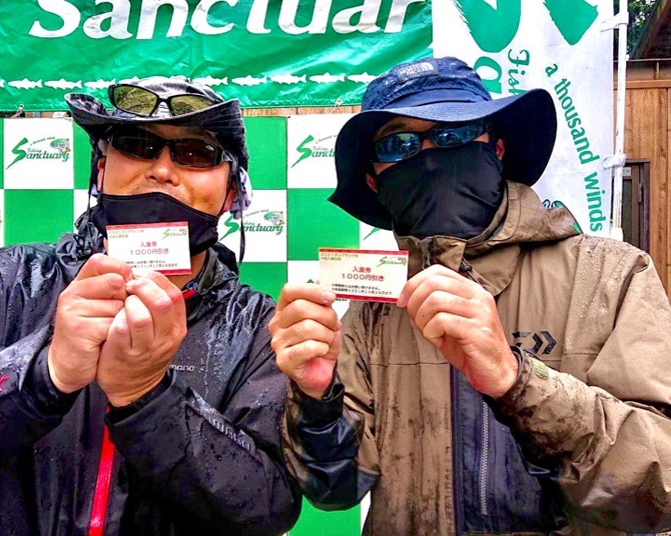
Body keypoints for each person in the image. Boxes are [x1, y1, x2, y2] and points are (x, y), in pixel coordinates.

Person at [0, 77, 301, 535]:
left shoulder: (258, 328)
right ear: (100, 169)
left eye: (196, 153)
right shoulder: (3, 280)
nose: (162, 169)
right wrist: (43, 372)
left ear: (232, 192)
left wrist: (148, 396)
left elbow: (265, 509)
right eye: (137, 145)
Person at [272, 57, 671, 535]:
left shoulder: (612, 275)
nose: (429, 155)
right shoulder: (373, 308)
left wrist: (516, 379)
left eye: (454, 133)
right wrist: (317, 401)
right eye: (399, 144)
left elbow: (660, 489)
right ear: (376, 180)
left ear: (496, 148)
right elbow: (335, 491)